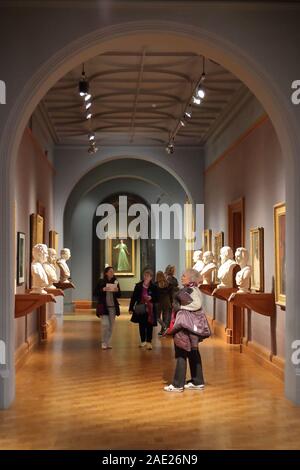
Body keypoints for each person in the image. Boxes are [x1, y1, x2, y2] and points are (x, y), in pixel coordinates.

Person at [164, 268, 210, 393]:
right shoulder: (193, 289)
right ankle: (197, 381)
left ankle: (178, 384)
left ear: (190, 278)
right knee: (193, 352)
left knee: (181, 352)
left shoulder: (191, 289)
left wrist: (181, 307)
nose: (182, 277)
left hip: (185, 325)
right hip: (190, 325)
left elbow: (197, 304)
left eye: (184, 276)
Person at [129, 269, 158, 350]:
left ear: (151, 277)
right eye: (145, 275)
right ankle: (143, 341)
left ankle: (149, 342)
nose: (146, 277)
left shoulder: (154, 287)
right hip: (141, 307)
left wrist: (151, 297)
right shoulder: (138, 286)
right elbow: (133, 297)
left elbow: (157, 298)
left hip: (150, 309)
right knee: (141, 324)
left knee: (149, 325)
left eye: (148, 276)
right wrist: (131, 308)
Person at [94, 266, 121, 350]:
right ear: (106, 273)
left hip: (113, 307)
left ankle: (107, 342)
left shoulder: (115, 281)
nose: (112, 273)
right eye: (110, 272)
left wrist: (117, 291)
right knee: (105, 324)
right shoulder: (101, 281)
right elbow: (95, 293)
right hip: (104, 307)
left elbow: (119, 295)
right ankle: (103, 342)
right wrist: (103, 289)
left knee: (111, 326)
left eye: (113, 272)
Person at [155, 271, 173, 335]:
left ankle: (164, 328)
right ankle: (163, 331)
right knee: (165, 317)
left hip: (159, 303)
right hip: (167, 302)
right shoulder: (168, 284)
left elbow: (154, 295)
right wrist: (171, 302)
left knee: (157, 317)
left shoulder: (155, 284)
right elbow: (171, 295)